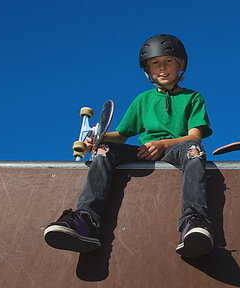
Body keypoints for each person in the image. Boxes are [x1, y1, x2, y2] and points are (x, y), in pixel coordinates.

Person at [44, 34, 214, 259]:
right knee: (104, 150)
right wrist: (97, 139)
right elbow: (122, 135)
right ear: (147, 70)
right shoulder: (143, 99)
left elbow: (195, 136)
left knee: (194, 150)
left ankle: (193, 221)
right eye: (155, 63)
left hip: (176, 149)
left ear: (180, 65)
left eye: (168, 62)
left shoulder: (193, 98)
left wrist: (163, 143)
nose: (162, 68)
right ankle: (86, 220)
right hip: (144, 151)